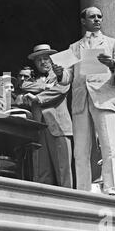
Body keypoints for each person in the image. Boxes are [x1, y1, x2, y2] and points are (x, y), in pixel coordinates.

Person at [52, 6, 115, 196]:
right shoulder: (75, 46)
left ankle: (111, 189)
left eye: (99, 16)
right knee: (80, 150)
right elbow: (68, 76)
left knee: (109, 146)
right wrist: (59, 73)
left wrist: (112, 63)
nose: (97, 19)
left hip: (104, 98)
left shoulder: (112, 43)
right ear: (83, 21)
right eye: (92, 17)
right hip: (81, 100)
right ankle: (82, 191)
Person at [21, 44, 73, 188]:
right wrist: (45, 86)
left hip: (59, 126)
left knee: (63, 171)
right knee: (42, 171)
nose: (43, 62)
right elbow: (25, 86)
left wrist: (37, 98)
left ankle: (68, 204)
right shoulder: (37, 80)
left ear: (52, 60)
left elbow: (61, 89)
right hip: (39, 127)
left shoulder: (62, 75)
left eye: (46, 58)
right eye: (38, 60)